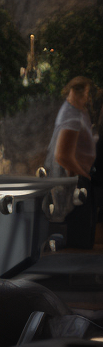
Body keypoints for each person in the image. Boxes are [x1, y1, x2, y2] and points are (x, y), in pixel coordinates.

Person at [47, 76, 97, 249]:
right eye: (87, 93)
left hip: (77, 180)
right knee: (78, 236)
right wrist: (84, 176)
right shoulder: (72, 117)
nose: (88, 98)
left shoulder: (76, 111)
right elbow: (62, 156)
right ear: (77, 92)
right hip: (74, 183)